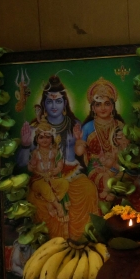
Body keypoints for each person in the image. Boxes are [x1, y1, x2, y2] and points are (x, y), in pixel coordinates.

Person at [19, 75, 99, 239]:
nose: (53, 105)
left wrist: (79, 142)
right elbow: (21, 163)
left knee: (89, 189)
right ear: (43, 104)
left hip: (69, 174)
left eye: (58, 101)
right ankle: (51, 242)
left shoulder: (74, 123)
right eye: (49, 101)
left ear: (65, 103)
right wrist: (26, 145)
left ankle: (82, 238)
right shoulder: (35, 128)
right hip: (42, 176)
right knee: (35, 200)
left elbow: (81, 156)